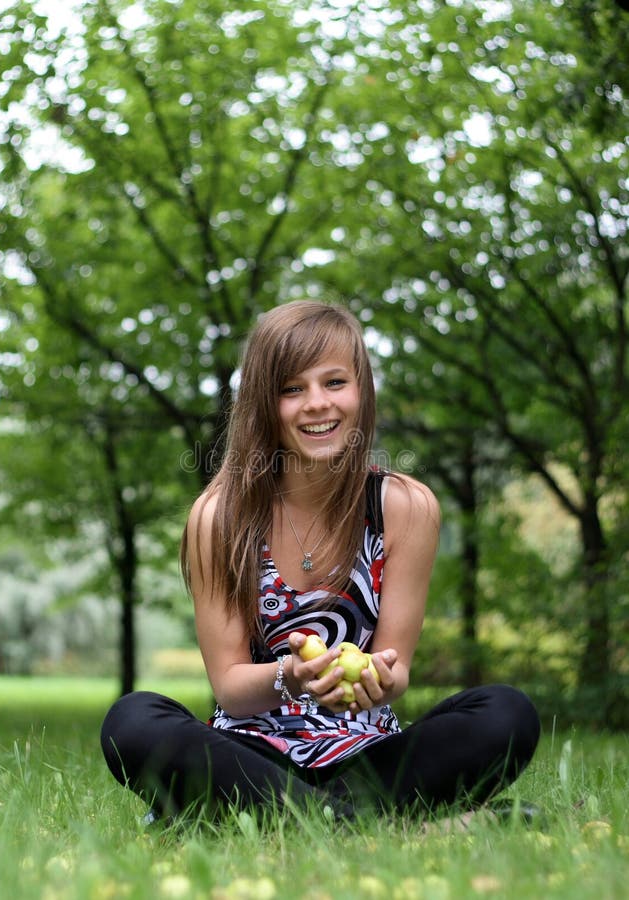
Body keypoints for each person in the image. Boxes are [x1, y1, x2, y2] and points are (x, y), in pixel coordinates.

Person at [101, 300, 540, 824]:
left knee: (507, 713)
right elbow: (231, 690)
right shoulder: (219, 516)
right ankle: (380, 823)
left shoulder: (405, 506)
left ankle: (252, 815)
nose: (317, 404)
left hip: (368, 756)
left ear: (362, 391)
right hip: (251, 756)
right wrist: (292, 677)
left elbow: (396, 670)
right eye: (292, 388)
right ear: (264, 402)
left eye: (334, 382)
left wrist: (380, 679)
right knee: (131, 721)